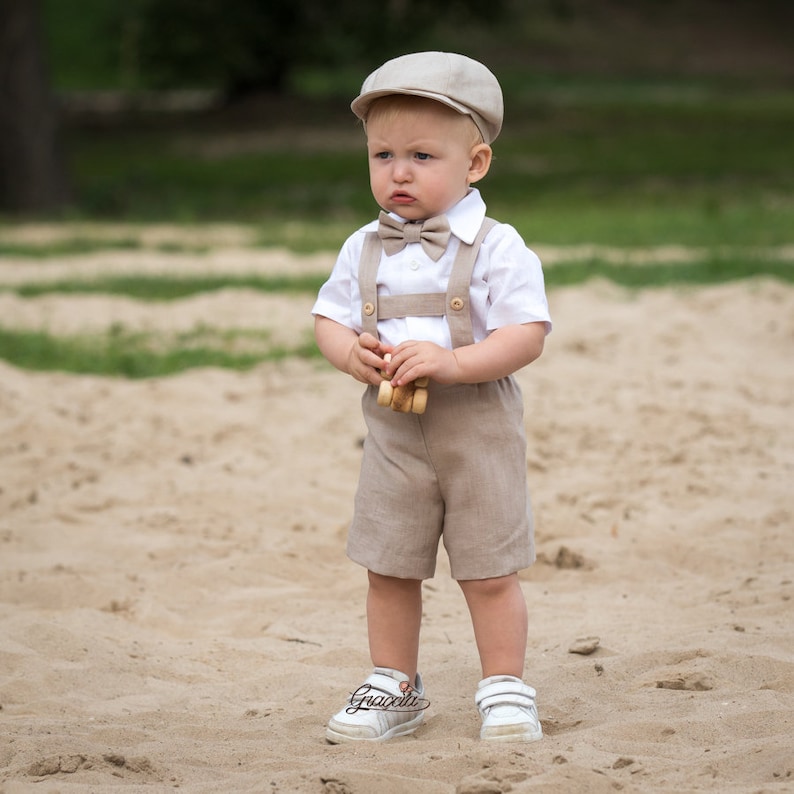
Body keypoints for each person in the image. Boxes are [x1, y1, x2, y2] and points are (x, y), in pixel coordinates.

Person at [312, 51, 551, 744]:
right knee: (388, 561)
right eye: (383, 154)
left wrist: (454, 362)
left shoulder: (497, 247)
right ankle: (395, 683)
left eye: (422, 154)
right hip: (392, 427)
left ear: (475, 164)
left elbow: (527, 333)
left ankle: (504, 685)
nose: (399, 172)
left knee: (488, 565)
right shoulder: (364, 246)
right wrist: (350, 353)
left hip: (475, 425)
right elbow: (327, 316)